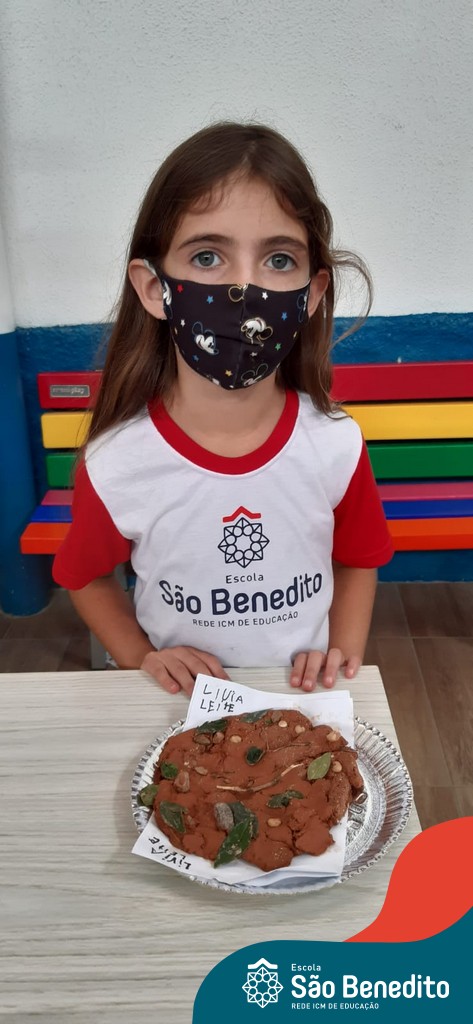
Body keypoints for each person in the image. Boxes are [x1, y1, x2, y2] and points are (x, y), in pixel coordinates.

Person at [53, 121, 393, 696]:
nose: (244, 289)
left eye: (278, 260)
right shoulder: (117, 463)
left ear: (311, 294)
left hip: (304, 702)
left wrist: (341, 655)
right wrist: (142, 658)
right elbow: (84, 577)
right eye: (208, 256)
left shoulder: (334, 444)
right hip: (182, 709)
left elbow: (360, 557)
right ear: (154, 288)